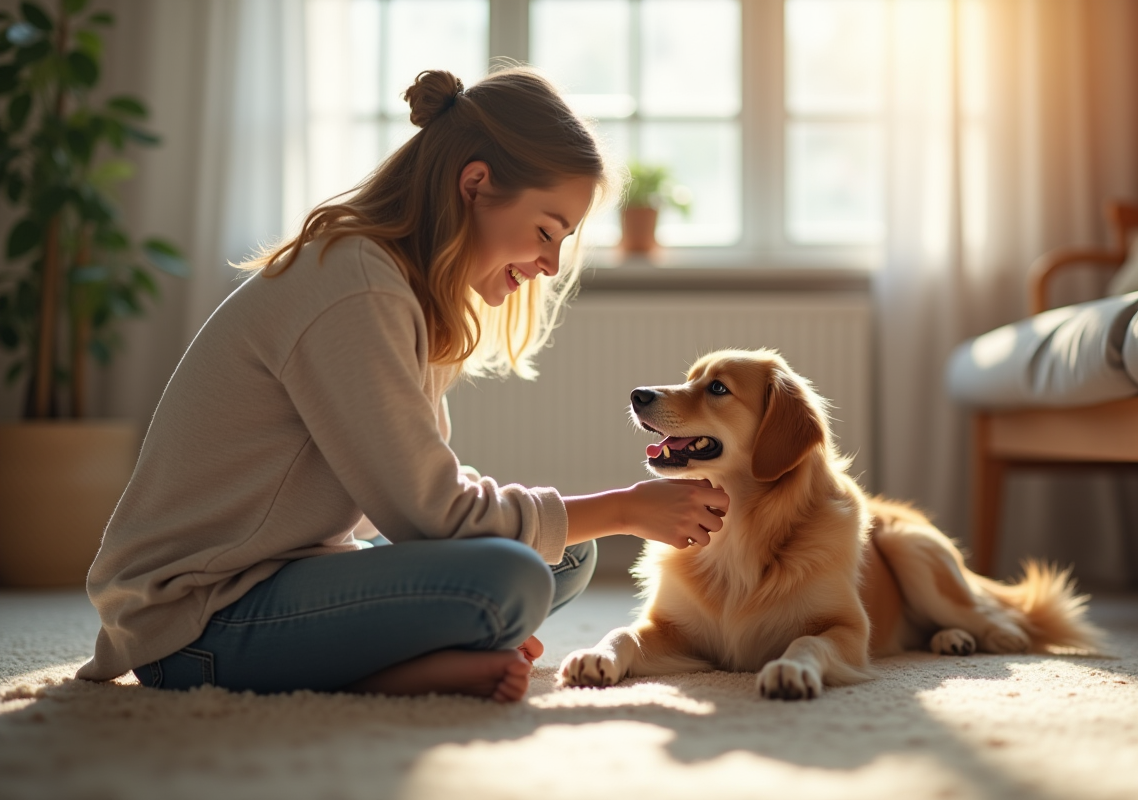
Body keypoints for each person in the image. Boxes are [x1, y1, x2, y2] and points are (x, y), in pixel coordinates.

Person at [76, 68, 729, 703]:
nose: (551, 263)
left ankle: (438, 649)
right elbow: (430, 512)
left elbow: (402, 495)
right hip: (196, 617)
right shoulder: (355, 287)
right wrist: (623, 508)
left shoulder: (401, 286)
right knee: (513, 576)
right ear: (476, 183)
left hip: (289, 566)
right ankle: (401, 672)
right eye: (546, 231)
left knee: (565, 555)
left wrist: (575, 520)